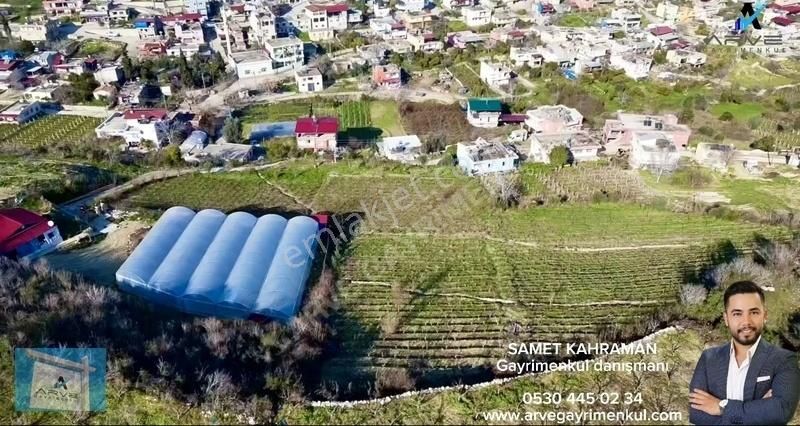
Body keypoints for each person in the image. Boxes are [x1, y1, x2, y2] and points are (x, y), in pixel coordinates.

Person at [689, 281, 800, 425]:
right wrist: (758, 409)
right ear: (726, 318)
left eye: (753, 312)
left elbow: (781, 411)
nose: (746, 321)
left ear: (764, 316)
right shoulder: (708, 358)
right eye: (737, 313)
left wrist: (721, 407)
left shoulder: (784, 360)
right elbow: (697, 414)